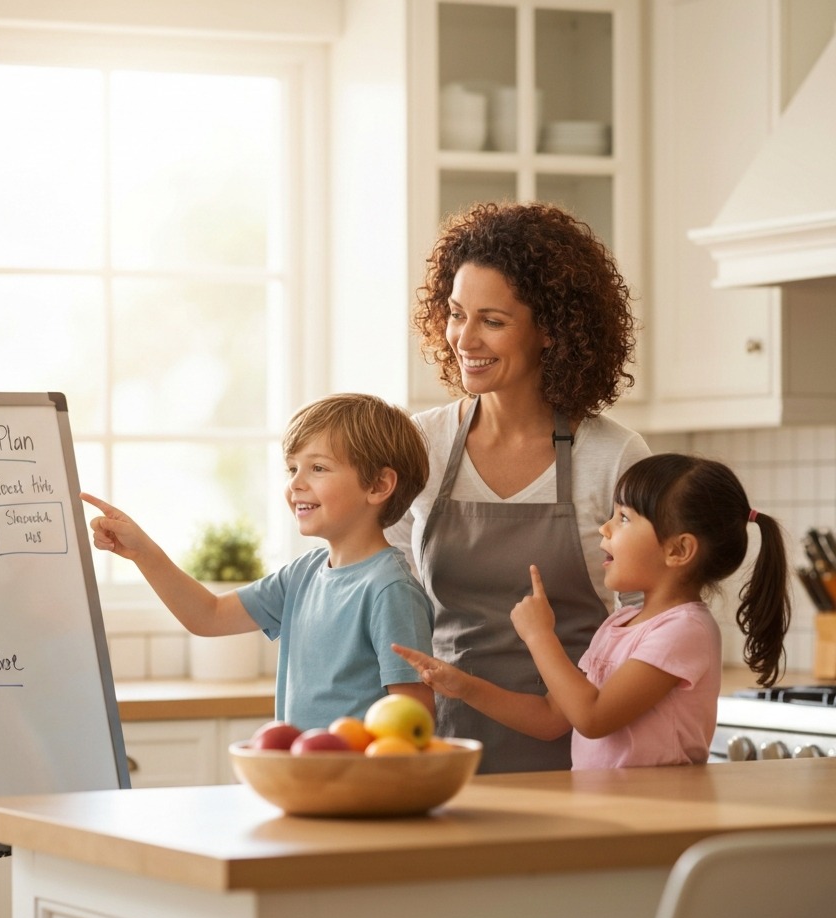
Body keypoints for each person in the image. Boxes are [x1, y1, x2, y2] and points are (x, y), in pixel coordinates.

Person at [385, 200, 652, 773]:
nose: (464, 338)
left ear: (552, 331)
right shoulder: (422, 445)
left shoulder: (611, 456)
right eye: (456, 313)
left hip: (580, 750)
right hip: (442, 747)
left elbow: (646, 620)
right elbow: (389, 590)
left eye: (493, 320)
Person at [394, 454, 791, 769]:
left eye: (623, 518)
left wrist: (539, 636)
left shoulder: (685, 631)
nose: (605, 529)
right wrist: (463, 686)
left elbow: (593, 717)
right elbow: (553, 717)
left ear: (678, 550)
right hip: (610, 810)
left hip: (660, 820)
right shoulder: (620, 623)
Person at [82, 392, 435, 730]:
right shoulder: (303, 574)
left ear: (378, 485)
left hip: (360, 788)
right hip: (301, 780)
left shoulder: (391, 591)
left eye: (318, 468)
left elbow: (412, 717)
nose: (296, 483)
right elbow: (208, 616)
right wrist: (144, 552)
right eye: (292, 468)